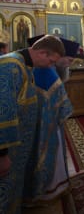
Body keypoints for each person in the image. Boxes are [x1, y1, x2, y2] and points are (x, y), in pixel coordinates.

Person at [0, 35, 65, 214]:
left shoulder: (24, 66)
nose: (51, 66)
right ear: (42, 53)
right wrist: (2, 154)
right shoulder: (10, 66)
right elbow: (2, 111)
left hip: (17, 151)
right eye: (51, 61)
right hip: (7, 152)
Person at [23, 36, 79, 205]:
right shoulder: (49, 72)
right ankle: (50, 189)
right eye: (68, 60)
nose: (69, 64)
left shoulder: (42, 68)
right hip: (49, 125)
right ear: (57, 57)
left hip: (35, 124)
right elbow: (64, 108)